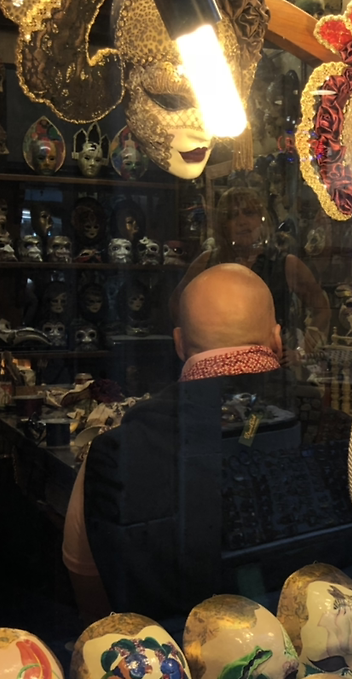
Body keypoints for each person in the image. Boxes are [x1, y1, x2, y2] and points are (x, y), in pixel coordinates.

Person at [63, 264, 295, 625]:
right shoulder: (329, 428)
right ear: (277, 339)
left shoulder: (114, 453)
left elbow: (93, 604)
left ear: (179, 344)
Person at [173, 187, 330, 363]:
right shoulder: (207, 261)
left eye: (249, 213)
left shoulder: (285, 263)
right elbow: (176, 306)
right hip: (216, 364)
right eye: (232, 216)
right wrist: (198, 347)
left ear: (261, 219)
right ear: (223, 225)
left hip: (271, 367)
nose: (242, 221)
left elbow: (321, 309)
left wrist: (301, 352)